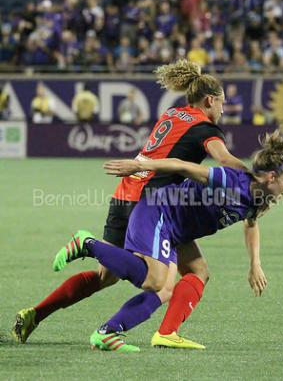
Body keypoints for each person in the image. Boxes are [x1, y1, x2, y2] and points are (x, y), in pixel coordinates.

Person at [13, 59, 247, 349]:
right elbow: (224, 160)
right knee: (162, 284)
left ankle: (36, 314)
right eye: (222, 103)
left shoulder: (174, 112)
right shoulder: (206, 129)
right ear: (210, 100)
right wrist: (253, 175)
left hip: (128, 190)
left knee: (107, 275)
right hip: (151, 200)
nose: (223, 109)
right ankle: (122, 323)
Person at [52, 131, 283, 352]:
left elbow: (251, 224)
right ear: (272, 176)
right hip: (159, 211)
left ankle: (123, 332)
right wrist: (139, 165)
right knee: (155, 281)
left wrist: (255, 264)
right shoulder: (233, 181)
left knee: (197, 274)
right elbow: (182, 167)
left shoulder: (258, 198)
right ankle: (87, 244)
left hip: (177, 231)